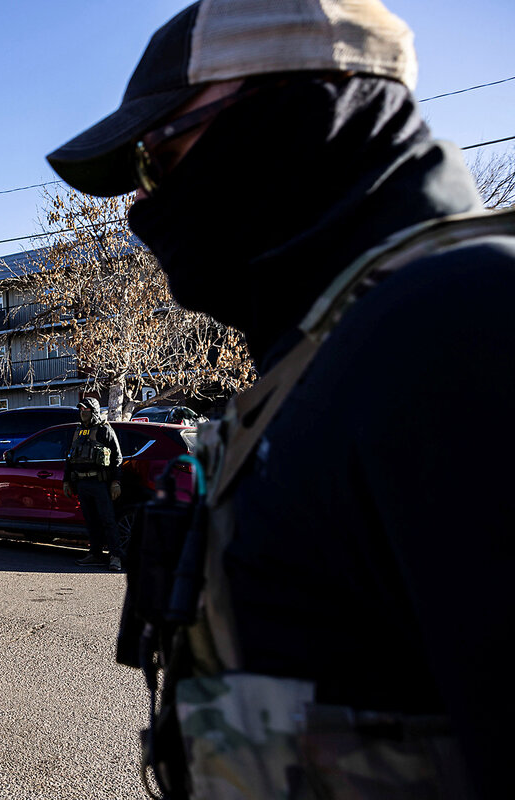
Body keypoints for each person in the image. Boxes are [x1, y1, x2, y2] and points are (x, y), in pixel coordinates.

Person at [45, 1, 513, 798]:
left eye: (160, 158)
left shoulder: (461, 321)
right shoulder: (331, 351)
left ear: (303, 110)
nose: (142, 206)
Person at [63, 398, 124, 570]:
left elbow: (117, 458)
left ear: (94, 411)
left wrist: (116, 482)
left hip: (100, 483)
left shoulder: (105, 430)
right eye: (81, 410)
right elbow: (69, 458)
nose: (83, 413)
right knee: (91, 521)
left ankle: (115, 557)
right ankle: (95, 554)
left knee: (108, 520)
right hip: (82, 483)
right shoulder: (78, 431)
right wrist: (66, 480)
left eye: (86, 410)